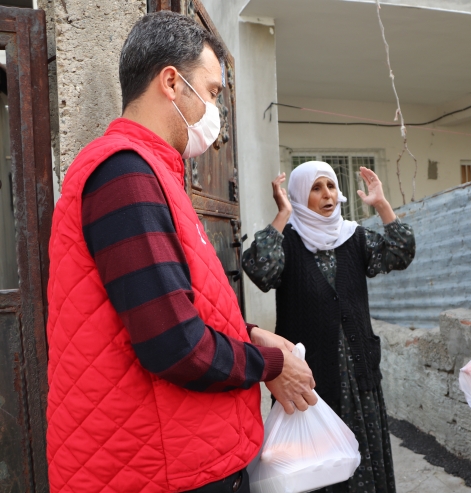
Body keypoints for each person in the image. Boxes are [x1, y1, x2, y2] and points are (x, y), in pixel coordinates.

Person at [45, 12, 316, 493]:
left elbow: (172, 301)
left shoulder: (150, 174)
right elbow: (174, 345)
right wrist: (269, 364)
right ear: (171, 82)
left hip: (171, 458)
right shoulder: (124, 175)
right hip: (156, 470)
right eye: (211, 92)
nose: (215, 111)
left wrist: (252, 333)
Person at [242, 161, 416, 492]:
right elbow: (261, 271)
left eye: (332, 186)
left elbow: (401, 253)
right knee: (312, 468)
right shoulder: (288, 241)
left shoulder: (354, 236)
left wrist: (381, 204)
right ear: (298, 195)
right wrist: (283, 214)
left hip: (358, 373)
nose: (327, 195)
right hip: (307, 378)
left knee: (363, 462)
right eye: (316, 187)